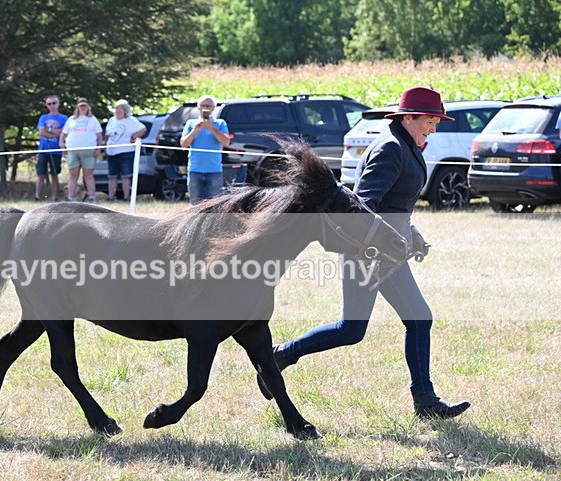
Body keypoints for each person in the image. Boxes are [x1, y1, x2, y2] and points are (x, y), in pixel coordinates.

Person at [265, 87, 471, 420]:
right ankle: (280, 356)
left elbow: (395, 206)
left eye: (436, 123)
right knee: (353, 329)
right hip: (368, 253)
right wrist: (384, 243)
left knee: (412, 319)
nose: (433, 129)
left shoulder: (405, 145)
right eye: (430, 121)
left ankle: (425, 401)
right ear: (408, 117)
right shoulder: (391, 148)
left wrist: (411, 233)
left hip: (388, 251)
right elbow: (364, 205)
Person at [180, 94, 230, 204]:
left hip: (214, 170)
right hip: (195, 170)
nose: (205, 108)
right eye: (203, 105)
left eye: (208, 105)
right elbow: (183, 144)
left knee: (215, 205)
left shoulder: (220, 123)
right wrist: (194, 131)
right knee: (195, 204)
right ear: (198, 107)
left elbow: (226, 142)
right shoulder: (191, 123)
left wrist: (211, 128)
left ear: (213, 108)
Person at [59, 97, 103, 202]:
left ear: (88, 107)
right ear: (77, 108)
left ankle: (91, 196)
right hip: (73, 150)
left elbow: (99, 135)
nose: (83, 108)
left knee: (88, 175)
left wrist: (98, 148)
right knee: (73, 175)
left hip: (88, 150)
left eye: (85, 106)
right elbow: (63, 133)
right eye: (81, 106)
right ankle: (70, 197)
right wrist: (61, 144)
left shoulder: (93, 119)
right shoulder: (71, 119)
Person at [104, 99, 147, 201]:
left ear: (125, 110)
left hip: (126, 152)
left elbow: (143, 129)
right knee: (112, 176)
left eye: (120, 109)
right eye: (116, 108)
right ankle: (111, 197)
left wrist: (134, 137)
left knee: (125, 176)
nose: (118, 110)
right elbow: (107, 134)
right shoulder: (111, 120)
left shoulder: (131, 120)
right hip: (111, 152)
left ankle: (126, 197)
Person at [35, 95, 68, 202]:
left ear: (58, 104)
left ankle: (55, 197)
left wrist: (49, 131)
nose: (52, 105)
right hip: (43, 150)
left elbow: (63, 133)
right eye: (49, 104)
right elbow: (41, 132)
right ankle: (37, 197)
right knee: (41, 174)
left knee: (54, 174)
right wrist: (55, 133)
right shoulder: (43, 118)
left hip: (56, 151)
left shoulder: (64, 118)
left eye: (54, 103)